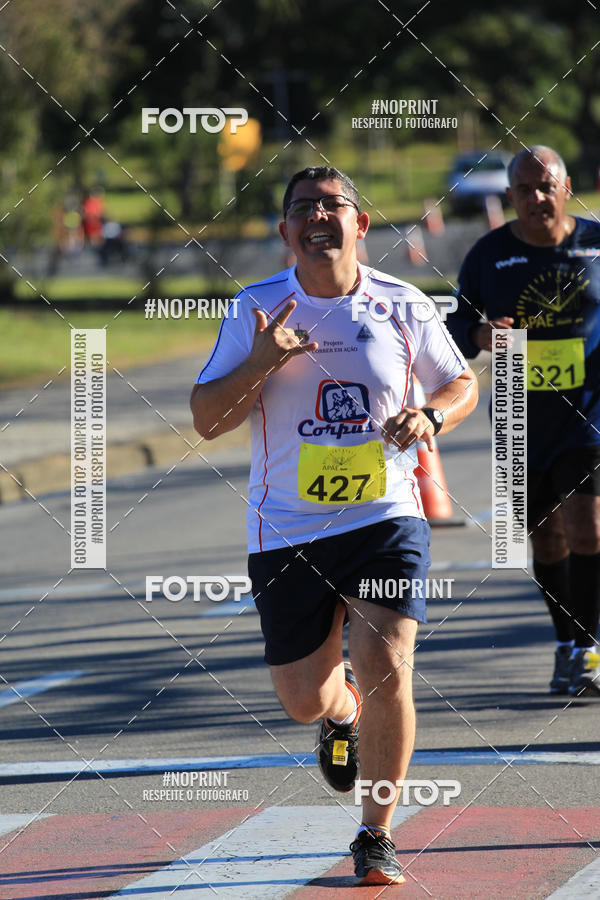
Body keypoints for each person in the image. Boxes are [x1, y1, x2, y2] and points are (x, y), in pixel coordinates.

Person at [190, 166, 477, 884]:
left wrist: (431, 415)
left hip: (385, 516)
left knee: (387, 663)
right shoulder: (256, 309)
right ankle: (339, 712)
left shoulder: (403, 304)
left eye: (332, 206)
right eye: (302, 209)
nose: (318, 217)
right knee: (303, 701)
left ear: (360, 223)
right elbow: (206, 420)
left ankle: (375, 833)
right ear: (286, 231)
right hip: (287, 529)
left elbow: (461, 381)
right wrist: (261, 363)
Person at [448, 145, 600, 697]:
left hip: (588, 413)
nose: (537, 197)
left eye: (546, 186)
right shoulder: (488, 255)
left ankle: (588, 648)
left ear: (566, 188)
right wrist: (481, 334)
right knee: (546, 538)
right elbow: (455, 326)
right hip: (519, 415)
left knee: (588, 528)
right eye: (524, 190)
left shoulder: (596, 243)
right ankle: (567, 641)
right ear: (510, 196)